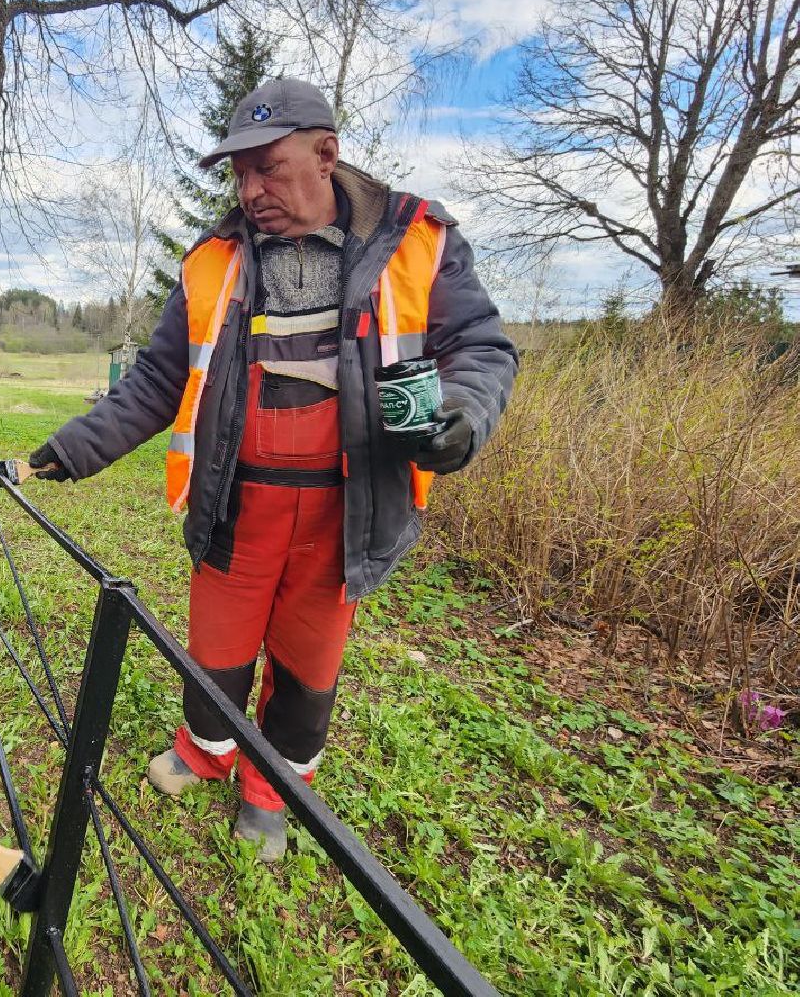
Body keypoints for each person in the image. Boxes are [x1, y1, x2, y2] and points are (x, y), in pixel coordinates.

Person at [28, 80, 518, 861]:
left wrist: (461, 413)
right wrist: (74, 447)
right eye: (239, 173)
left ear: (326, 153)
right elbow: (157, 380)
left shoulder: (419, 239)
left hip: (345, 512)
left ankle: (274, 790)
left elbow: (483, 350)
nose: (250, 189)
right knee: (214, 650)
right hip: (232, 503)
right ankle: (206, 752)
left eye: (267, 166)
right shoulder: (212, 261)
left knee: (307, 662)